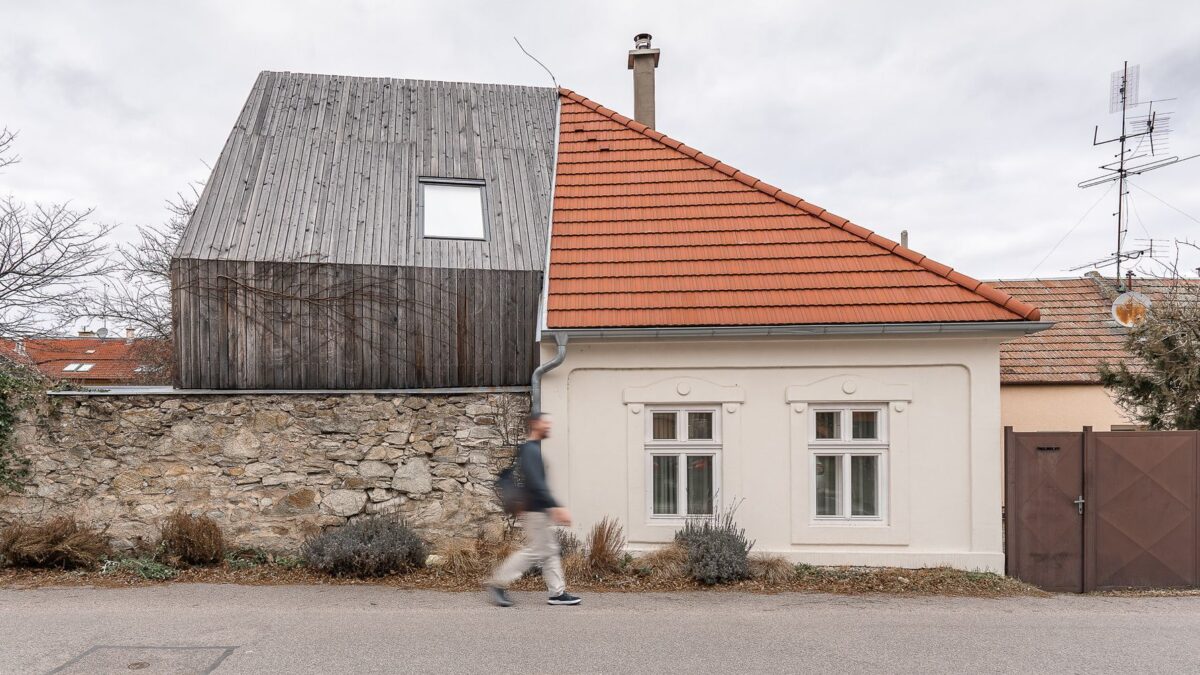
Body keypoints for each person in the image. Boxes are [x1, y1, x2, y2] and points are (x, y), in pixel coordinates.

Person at [486, 413, 582, 607]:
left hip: (538, 509)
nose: (548, 426)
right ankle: (498, 582)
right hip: (535, 511)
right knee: (536, 551)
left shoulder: (532, 449)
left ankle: (557, 593)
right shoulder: (530, 450)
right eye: (545, 422)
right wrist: (556, 506)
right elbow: (536, 483)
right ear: (534, 424)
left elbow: (534, 483)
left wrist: (549, 507)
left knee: (549, 550)